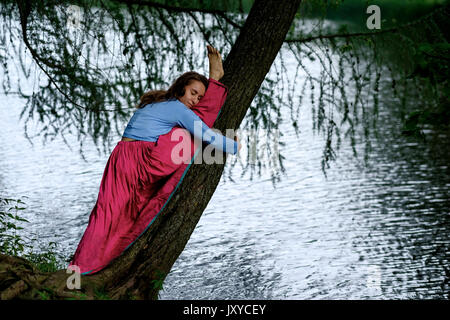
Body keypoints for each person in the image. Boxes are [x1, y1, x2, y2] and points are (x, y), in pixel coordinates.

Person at [69, 45, 240, 275]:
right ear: (181, 89)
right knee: (190, 135)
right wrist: (234, 145)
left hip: (121, 157)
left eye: (200, 97)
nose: (195, 99)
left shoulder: (158, 102)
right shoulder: (178, 109)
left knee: (108, 213)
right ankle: (216, 82)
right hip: (140, 159)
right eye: (193, 93)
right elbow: (207, 135)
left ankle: (83, 269)